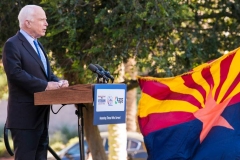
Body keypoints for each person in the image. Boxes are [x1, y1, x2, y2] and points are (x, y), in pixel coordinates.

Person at [2, 5, 69, 159]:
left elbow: (47, 74)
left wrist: (59, 82)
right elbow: (15, 74)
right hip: (25, 120)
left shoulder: (38, 45)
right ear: (28, 22)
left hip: (41, 118)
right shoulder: (13, 44)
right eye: (42, 20)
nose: (46, 23)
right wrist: (45, 86)